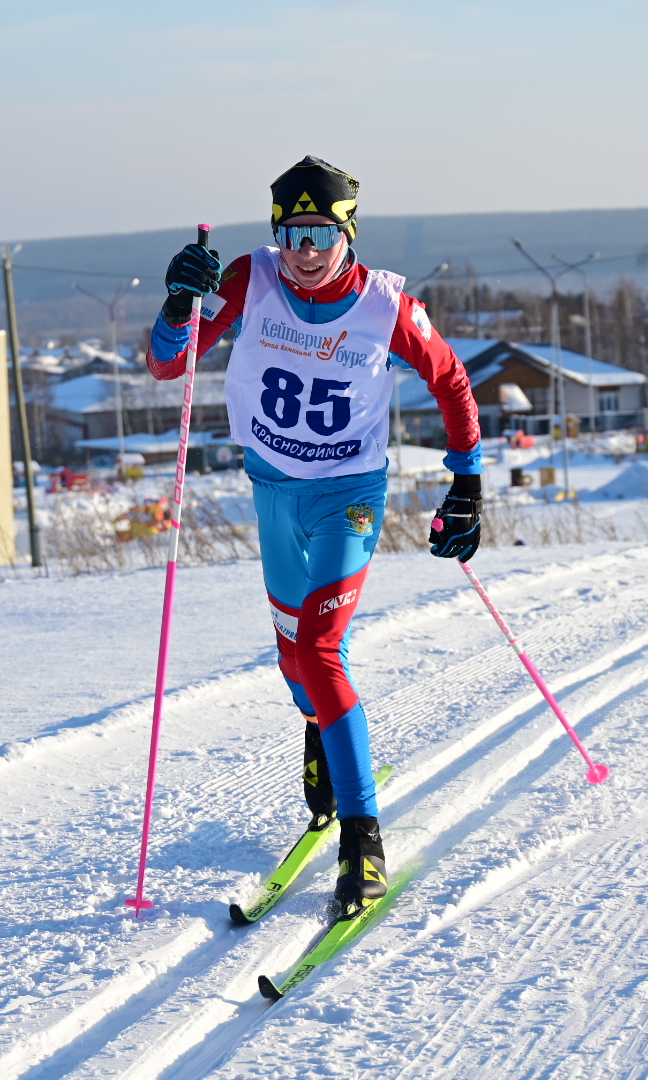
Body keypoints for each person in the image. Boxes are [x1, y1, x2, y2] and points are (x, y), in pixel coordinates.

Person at [145, 156, 484, 912]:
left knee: (323, 647)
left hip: (349, 497)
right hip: (273, 494)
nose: (304, 251)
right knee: (294, 656)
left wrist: (468, 480)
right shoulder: (248, 279)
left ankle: (362, 841)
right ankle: (319, 727)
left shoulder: (386, 303)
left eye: (320, 234)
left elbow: (451, 379)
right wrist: (177, 306)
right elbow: (171, 366)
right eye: (292, 233)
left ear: (347, 234)